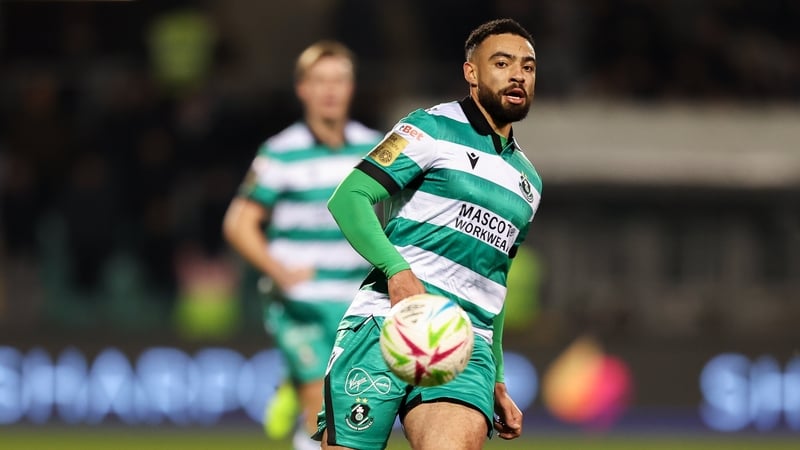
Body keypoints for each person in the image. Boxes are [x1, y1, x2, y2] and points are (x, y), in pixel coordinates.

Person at [315, 18, 541, 450]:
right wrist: (396, 270)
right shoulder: (428, 128)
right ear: (471, 73)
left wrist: (496, 378)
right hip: (387, 322)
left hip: (464, 344)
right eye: (502, 63)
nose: (517, 75)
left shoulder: (529, 182)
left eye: (528, 68)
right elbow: (349, 198)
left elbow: (494, 284)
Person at [222, 40, 381, 450]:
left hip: (357, 302)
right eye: (320, 80)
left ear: (351, 88)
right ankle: (300, 390)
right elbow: (238, 224)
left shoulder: (375, 148)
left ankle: (290, 395)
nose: (330, 90)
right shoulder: (280, 152)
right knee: (321, 407)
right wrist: (280, 272)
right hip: (300, 300)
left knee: (351, 412)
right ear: (302, 89)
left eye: (339, 80)